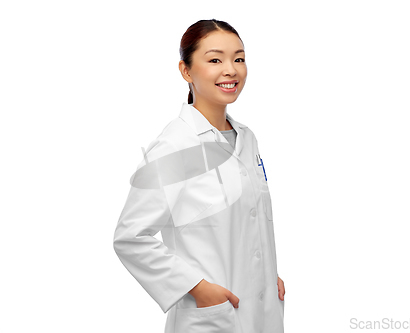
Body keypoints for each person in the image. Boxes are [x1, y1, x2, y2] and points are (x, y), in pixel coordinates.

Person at [113, 18, 285, 333]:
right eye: (215, 59)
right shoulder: (176, 145)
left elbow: (244, 221)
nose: (231, 69)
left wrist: (264, 272)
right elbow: (130, 237)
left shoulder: (247, 137)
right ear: (186, 71)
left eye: (239, 58)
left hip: (261, 312)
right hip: (213, 318)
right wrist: (197, 287)